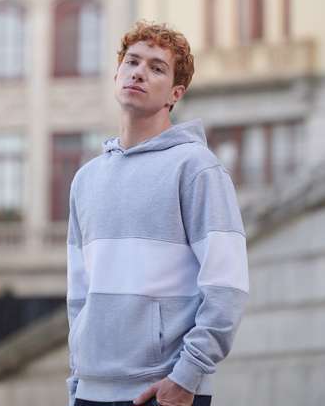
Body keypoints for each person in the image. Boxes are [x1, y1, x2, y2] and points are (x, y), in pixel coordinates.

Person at [66, 21, 249, 406]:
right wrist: (76, 380)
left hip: (162, 391)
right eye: (132, 62)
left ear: (175, 93)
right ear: (116, 74)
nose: (139, 73)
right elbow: (79, 294)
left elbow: (226, 285)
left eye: (156, 68)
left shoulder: (197, 168)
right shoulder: (86, 179)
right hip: (90, 390)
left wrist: (188, 376)